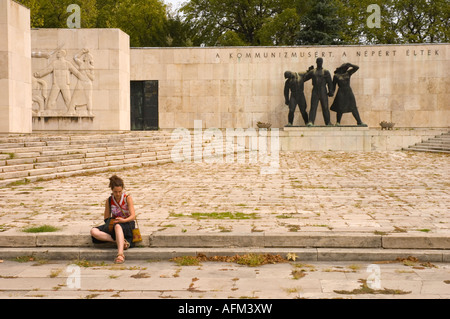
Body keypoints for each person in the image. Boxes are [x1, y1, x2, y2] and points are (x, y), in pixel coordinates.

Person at [91, 175, 136, 264]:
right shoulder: (109, 200)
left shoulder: (127, 198)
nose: (118, 194)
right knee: (94, 231)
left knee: (118, 226)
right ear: (112, 190)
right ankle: (121, 241)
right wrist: (112, 221)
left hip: (126, 223)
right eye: (115, 192)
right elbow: (106, 217)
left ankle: (120, 254)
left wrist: (123, 220)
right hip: (114, 223)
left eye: (119, 191)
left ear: (122, 189)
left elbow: (133, 216)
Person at [303, 58, 334, 126]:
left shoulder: (325, 71)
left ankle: (328, 122)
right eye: (318, 61)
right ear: (316, 62)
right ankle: (311, 121)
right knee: (313, 107)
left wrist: (331, 91)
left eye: (321, 61)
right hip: (315, 90)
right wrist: (308, 71)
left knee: (325, 107)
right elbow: (304, 78)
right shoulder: (313, 71)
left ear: (322, 62)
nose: (319, 62)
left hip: (323, 90)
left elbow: (330, 82)